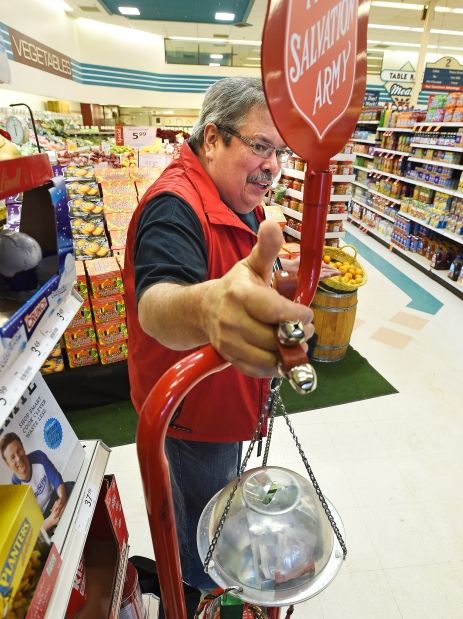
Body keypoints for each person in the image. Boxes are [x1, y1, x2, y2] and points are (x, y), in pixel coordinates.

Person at [124, 76, 338, 596]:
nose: (272, 165)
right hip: (197, 416)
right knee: (205, 530)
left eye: (279, 152)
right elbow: (156, 302)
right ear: (213, 138)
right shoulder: (173, 205)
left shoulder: (238, 196)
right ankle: (199, 593)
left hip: (227, 398)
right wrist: (207, 307)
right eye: (260, 146)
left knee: (215, 509)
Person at [0, 432, 72, 532]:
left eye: (19, 450)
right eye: (12, 457)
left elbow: (56, 479)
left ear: (23, 448)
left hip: (54, 500)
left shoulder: (38, 456)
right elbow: (30, 527)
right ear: (8, 465)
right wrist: (51, 520)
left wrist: (62, 499)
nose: (18, 458)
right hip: (43, 520)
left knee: (70, 486)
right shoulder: (15, 488)